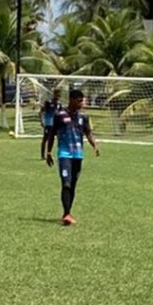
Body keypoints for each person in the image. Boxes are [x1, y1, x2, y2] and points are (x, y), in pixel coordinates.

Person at [47, 89, 100, 226]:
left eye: (82, 100)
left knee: (73, 185)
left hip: (78, 155)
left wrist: (94, 145)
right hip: (64, 154)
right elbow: (52, 134)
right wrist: (48, 152)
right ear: (71, 100)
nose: (82, 103)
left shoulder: (84, 118)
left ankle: (68, 211)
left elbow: (88, 133)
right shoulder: (60, 115)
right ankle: (66, 213)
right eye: (79, 100)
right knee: (66, 183)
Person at [39, 88, 62, 162]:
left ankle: (60, 155)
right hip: (48, 124)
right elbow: (41, 112)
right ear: (54, 94)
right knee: (46, 139)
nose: (58, 96)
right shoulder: (48, 102)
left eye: (59, 95)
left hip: (57, 124)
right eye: (57, 94)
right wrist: (42, 121)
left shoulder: (59, 104)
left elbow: (61, 114)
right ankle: (43, 155)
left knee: (60, 140)